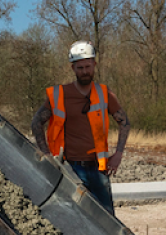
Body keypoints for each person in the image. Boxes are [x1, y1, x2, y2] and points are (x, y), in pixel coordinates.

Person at [31, 40, 130, 214]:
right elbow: (36, 123)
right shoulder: (60, 94)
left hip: (100, 168)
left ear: (94, 65)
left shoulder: (104, 93)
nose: (85, 72)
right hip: (71, 168)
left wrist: (118, 154)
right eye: (80, 68)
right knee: (77, 217)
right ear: (73, 68)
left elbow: (125, 122)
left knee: (107, 219)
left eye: (87, 66)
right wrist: (47, 155)